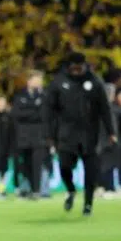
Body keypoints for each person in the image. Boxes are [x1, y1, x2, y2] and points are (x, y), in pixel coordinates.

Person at [45, 52, 117, 216]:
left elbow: (105, 108)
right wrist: (50, 133)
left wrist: (111, 131)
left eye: (80, 68)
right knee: (64, 166)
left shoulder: (94, 81)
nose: (77, 71)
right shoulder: (59, 82)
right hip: (66, 133)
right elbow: (49, 110)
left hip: (90, 133)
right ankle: (70, 190)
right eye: (74, 68)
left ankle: (88, 204)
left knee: (91, 170)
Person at [11, 71, 49, 198]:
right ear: (29, 80)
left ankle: (36, 190)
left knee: (37, 163)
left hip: (39, 136)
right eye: (36, 80)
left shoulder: (44, 96)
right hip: (23, 136)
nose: (38, 83)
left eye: (40, 80)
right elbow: (16, 114)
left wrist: (27, 110)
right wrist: (34, 109)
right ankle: (27, 189)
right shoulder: (20, 95)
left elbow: (43, 115)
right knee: (25, 164)